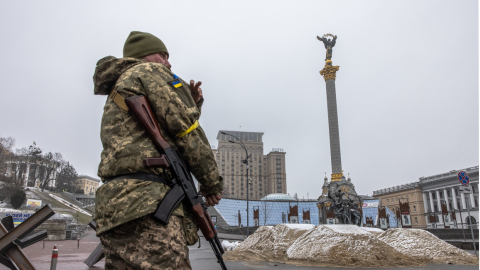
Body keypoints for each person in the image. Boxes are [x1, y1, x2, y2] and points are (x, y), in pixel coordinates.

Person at [93, 31, 223, 270]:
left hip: (114, 209)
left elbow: (159, 131)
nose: (168, 63)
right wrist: (211, 183)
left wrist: (191, 104)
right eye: (162, 55)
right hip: (149, 204)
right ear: (144, 56)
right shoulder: (149, 72)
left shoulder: (119, 86)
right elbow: (186, 131)